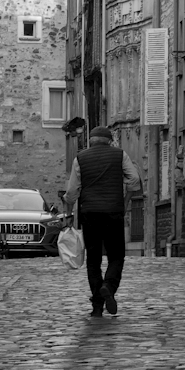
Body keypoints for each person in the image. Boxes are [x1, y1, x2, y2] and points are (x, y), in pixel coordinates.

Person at [63, 126, 141, 317]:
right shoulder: (120, 155)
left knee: (93, 259)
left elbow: (73, 191)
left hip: (89, 213)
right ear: (110, 140)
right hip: (113, 212)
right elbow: (134, 179)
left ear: (91, 140)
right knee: (116, 256)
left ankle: (97, 305)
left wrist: (68, 209)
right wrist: (125, 200)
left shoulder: (80, 159)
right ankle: (108, 286)